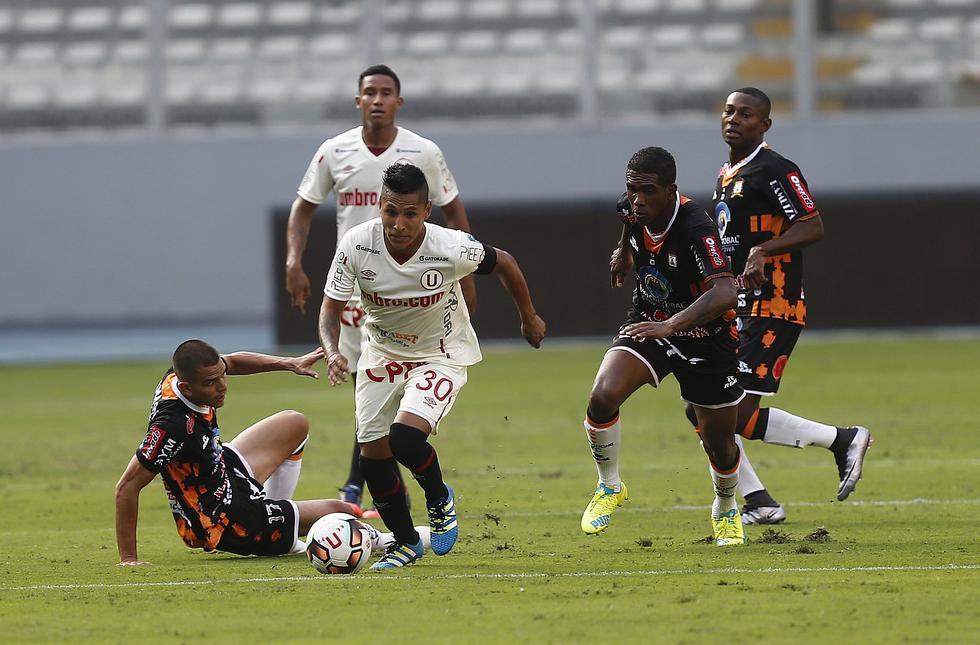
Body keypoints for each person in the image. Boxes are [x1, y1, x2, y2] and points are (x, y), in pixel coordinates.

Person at [613, 88, 871, 525]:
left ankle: (840, 441)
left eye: (746, 114)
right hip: (739, 306)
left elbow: (813, 224)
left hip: (773, 302)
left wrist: (764, 251)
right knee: (703, 410)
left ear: (764, 124)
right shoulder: (728, 173)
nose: (734, 119)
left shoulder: (774, 169)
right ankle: (762, 500)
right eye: (729, 111)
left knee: (735, 412)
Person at [318, 162, 546, 569]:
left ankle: (439, 498)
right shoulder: (356, 244)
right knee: (373, 458)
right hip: (382, 355)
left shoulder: (450, 246)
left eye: (410, 213)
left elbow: (506, 262)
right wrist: (334, 352)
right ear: (379, 206)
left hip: (439, 354)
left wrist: (528, 317)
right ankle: (406, 543)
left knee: (405, 438)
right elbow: (329, 309)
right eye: (391, 212)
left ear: (426, 211)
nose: (399, 223)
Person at [286, 64, 475, 516]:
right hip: (355, 285)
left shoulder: (424, 151)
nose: (376, 99)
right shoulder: (334, 151)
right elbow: (303, 207)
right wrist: (293, 261)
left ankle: (358, 485)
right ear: (358, 101)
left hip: (410, 284)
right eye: (369, 92)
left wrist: (465, 277)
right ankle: (371, 480)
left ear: (398, 102)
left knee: (383, 388)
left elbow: (453, 211)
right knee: (367, 382)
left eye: (385, 92)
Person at [581, 146, 746, 546]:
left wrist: (672, 324)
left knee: (719, 444)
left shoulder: (695, 228)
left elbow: (725, 293)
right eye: (632, 189)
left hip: (708, 338)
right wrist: (624, 254)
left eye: (648, 191)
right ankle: (610, 486)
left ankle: (725, 507)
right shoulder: (632, 207)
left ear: (671, 190)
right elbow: (628, 221)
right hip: (649, 321)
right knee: (602, 397)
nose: (637, 200)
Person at [114, 340, 360, 565]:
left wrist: (288, 362)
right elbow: (127, 486)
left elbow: (230, 362)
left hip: (221, 469)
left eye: (221, 376)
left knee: (294, 424)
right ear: (187, 388)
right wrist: (128, 559)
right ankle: (379, 539)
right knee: (342, 511)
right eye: (210, 383)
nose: (222, 387)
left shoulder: (178, 376)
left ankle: (274, 517)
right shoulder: (172, 426)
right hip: (222, 519)